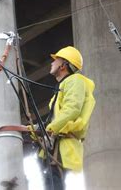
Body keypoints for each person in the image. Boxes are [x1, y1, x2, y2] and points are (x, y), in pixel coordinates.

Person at [40, 46, 96, 189]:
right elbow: (56, 117)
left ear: (64, 65)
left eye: (56, 60)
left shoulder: (75, 80)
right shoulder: (63, 86)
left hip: (62, 145)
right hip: (55, 145)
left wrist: (50, 129)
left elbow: (72, 109)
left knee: (53, 182)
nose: (52, 63)